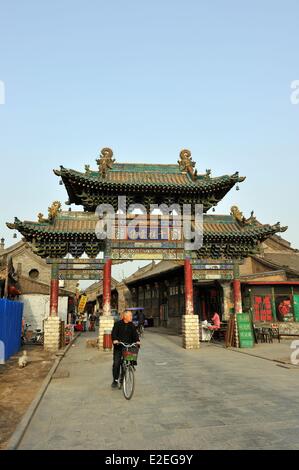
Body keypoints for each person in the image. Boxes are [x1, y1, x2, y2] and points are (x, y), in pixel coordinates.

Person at [111, 310, 140, 389]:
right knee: (116, 363)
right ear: (125, 316)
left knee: (126, 364)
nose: (131, 317)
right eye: (130, 315)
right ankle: (115, 380)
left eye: (131, 315)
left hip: (128, 347)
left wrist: (137, 341)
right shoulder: (117, 324)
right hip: (118, 347)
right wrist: (115, 340)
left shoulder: (132, 325)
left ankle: (122, 378)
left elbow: (135, 335)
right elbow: (113, 333)